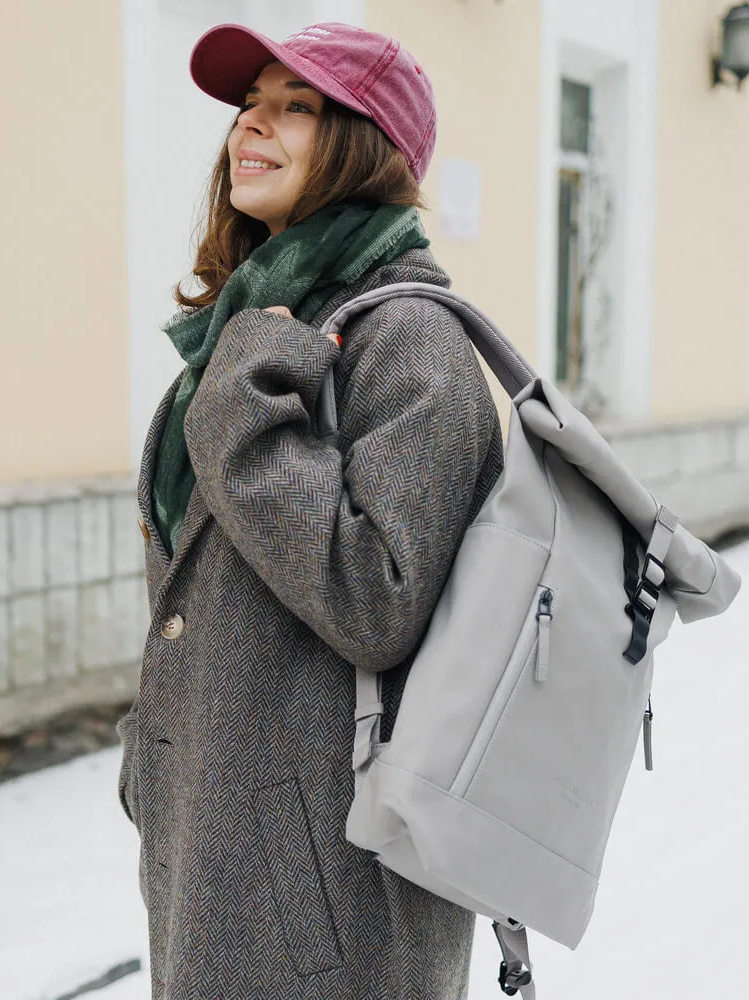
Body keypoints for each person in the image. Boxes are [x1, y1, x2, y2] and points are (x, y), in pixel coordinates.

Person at [116, 20, 503, 1000]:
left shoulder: (405, 338)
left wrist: (249, 416)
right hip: (220, 839)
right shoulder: (250, 329)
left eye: (298, 107)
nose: (252, 125)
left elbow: (378, 600)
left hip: (327, 891)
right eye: (252, 102)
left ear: (365, 148)